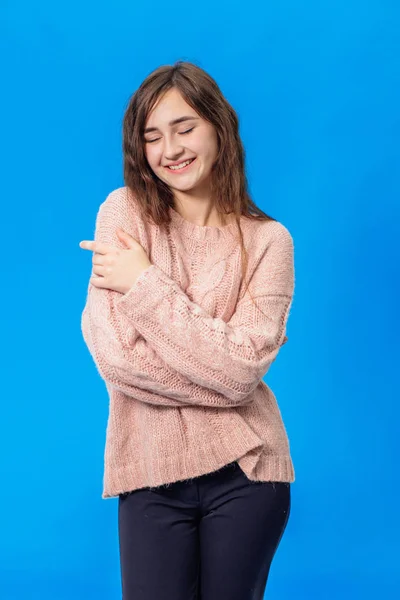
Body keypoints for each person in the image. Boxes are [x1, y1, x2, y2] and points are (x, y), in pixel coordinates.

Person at [80, 60, 295, 600]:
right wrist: (221, 377)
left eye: (184, 127)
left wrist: (144, 283)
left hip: (249, 472)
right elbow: (117, 358)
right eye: (152, 136)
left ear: (218, 127)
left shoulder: (271, 243)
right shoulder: (123, 213)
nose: (170, 149)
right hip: (150, 471)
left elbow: (243, 373)